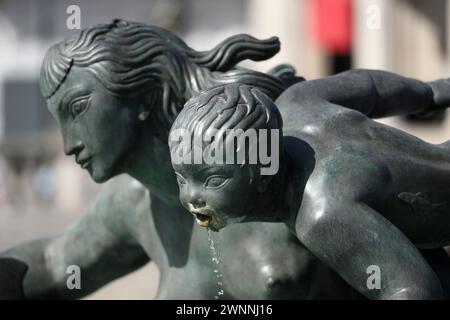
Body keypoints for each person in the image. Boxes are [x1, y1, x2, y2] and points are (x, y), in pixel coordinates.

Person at [0, 19, 361, 299]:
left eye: (78, 109)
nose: (68, 144)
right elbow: (52, 264)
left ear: (140, 95)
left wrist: (421, 96)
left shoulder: (270, 163)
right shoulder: (132, 202)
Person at [169, 77, 450, 299]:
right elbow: (370, 87)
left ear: (265, 173)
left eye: (214, 180)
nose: (191, 197)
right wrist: (430, 92)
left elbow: (412, 290)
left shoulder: (321, 216)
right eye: (182, 179)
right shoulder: (296, 101)